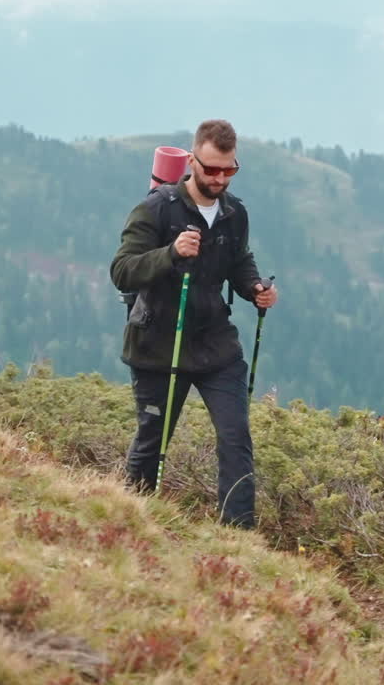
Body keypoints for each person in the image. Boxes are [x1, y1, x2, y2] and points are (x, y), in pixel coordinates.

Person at [110, 119, 278, 529]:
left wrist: (254, 287)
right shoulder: (156, 209)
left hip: (215, 345)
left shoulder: (235, 213)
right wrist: (170, 253)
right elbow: (122, 271)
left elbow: (239, 260)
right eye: (211, 169)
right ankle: (133, 524)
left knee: (236, 437)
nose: (220, 178)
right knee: (152, 443)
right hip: (158, 345)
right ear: (191, 161)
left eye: (229, 169)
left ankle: (238, 534)